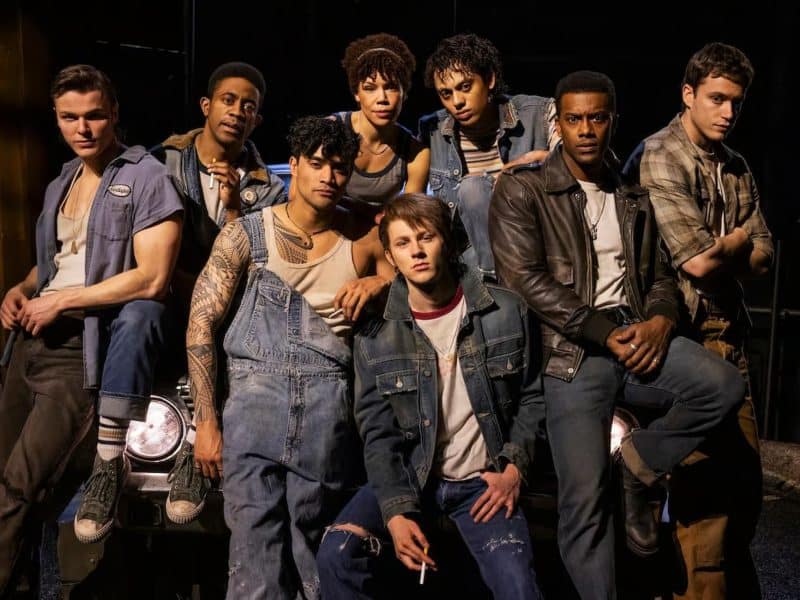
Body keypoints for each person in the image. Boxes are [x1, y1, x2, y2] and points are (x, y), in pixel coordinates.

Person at [489, 70, 746, 599]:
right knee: (584, 505)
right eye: (575, 119)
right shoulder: (523, 189)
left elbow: (658, 278)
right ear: (556, 124)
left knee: (722, 386)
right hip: (571, 356)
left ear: (612, 122)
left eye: (598, 118)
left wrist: (661, 320)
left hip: (636, 339)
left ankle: (639, 462)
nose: (587, 129)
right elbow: (525, 280)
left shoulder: (632, 194)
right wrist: (604, 333)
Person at [185, 116, 394, 598]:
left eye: (339, 168)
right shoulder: (246, 235)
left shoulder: (362, 238)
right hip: (253, 402)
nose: (328, 177)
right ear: (294, 165)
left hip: (328, 409)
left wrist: (382, 282)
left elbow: (419, 288)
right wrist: (207, 420)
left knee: (311, 553)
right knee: (253, 554)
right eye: (316, 164)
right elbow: (201, 325)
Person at [0, 64, 182, 591]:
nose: (83, 128)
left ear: (115, 113)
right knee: (9, 496)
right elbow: (59, 261)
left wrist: (64, 303)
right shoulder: (64, 178)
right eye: (69, 118)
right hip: (29, 345)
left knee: (20, 490)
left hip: (80, 348)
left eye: (95, 116)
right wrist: (23, 288)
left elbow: (152, 279)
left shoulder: (146, 175)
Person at [316, 193, 543, 599]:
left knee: (518, 586)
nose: (417, 251)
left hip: (482, 483)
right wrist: (396, 510)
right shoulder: (376, 336)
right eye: (403, 244)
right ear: (390, 255)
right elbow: (379, 435)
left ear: (448, 243)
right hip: (414, 479)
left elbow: (533, 397)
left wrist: (514, 469)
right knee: (338, 552)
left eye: (427, 238)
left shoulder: (505, 311)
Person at [624, 42, 773, 599]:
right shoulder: (662, 154)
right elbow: (700, 261)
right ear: (688, 94)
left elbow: (766, 256)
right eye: (716, 99)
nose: (728, 113)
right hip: (686, 339)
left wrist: (734, 248)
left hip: (731, 334)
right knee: (704, 509)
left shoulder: (735, 165)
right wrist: (735, 239)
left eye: (736, 102)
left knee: (746, 497)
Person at [149, 61, 285, 525]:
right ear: (207, 106)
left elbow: (246, 266)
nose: (237, 111)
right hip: (168, 292)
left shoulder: (269, 188)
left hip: (226, 304)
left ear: (257, 120)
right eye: (228, 100)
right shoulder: (161, 163)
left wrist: (232, 209)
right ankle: (114, 455)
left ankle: (195, 449)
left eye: (249, 106)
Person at [419, 33, 559, 280]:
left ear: (490, 79)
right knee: (473, 188)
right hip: (471, 260)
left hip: (537, 245)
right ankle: (500, 285)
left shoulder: (538, 114)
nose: (457, 102)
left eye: (465, 87)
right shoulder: (431, 131)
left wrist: (540, 160)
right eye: (446, 94)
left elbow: (585, 168)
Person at [332, 33, 429, 213]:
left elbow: (410, 218)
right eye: (370, 88)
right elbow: (304, 199)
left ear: (404, 93)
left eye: (391, 87)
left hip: (383, 233)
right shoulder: (332, 130)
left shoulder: (415, 152)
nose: (382, 99)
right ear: (356, 93)